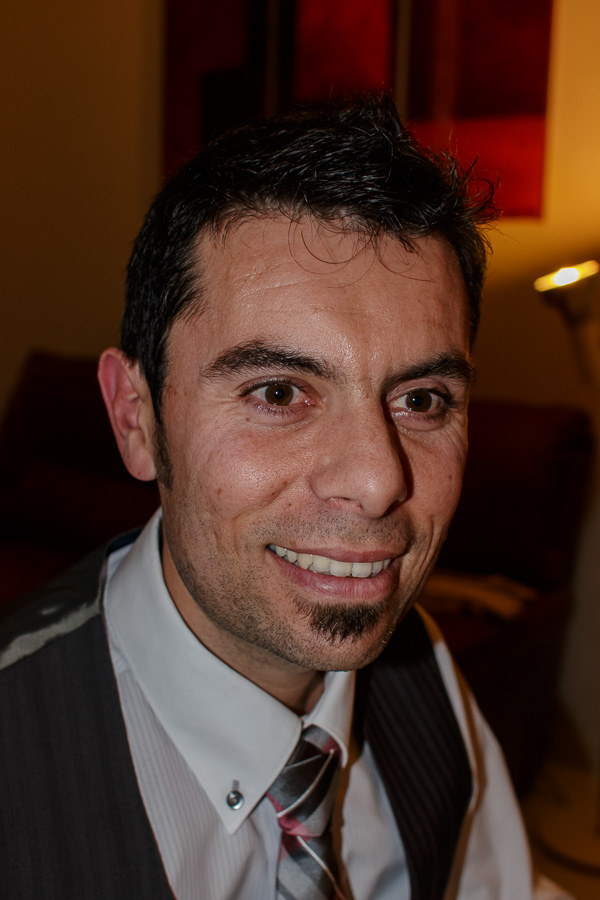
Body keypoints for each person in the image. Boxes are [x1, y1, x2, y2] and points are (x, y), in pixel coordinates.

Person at [0, 96, 569, 899]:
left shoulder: (424, 669)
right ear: (136, 418)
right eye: (277, 392)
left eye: (422, 400)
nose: (377, 481)